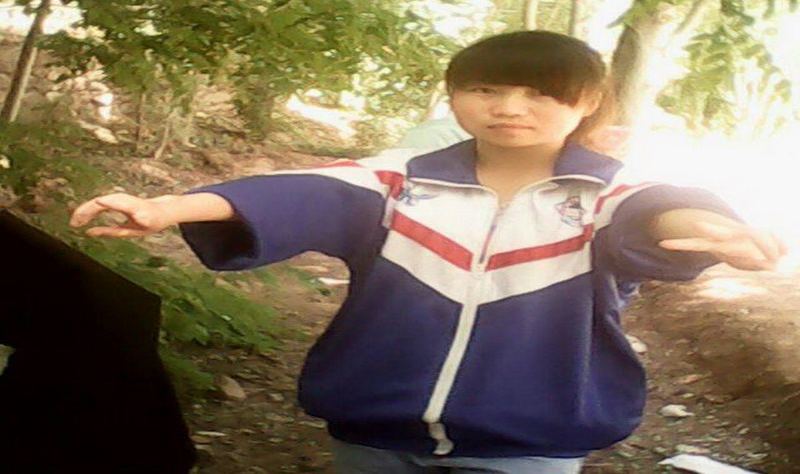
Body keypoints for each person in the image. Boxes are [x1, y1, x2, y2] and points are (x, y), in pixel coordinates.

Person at [70, 31, 785, 474]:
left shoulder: (603, 195)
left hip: (531, 440)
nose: (509, 107)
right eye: (486, 89)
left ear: (587, 103)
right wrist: (169, 208)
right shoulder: (396, 182)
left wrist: (718, 228)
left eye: (538, 93)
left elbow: (659, 208)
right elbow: (296, 193)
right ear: (454, 95)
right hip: (373, 428)